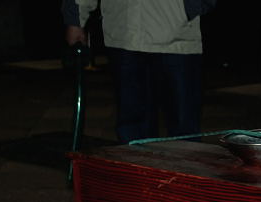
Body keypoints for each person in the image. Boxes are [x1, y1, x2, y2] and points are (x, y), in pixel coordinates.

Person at [61, 0, 216, 143]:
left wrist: (190, 7)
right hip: (125, 35)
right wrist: (75, 19)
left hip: (177, 38)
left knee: (184, 129)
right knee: (132, 129)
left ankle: (184, 172)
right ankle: (136, 172)